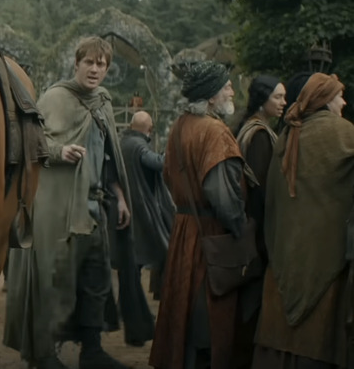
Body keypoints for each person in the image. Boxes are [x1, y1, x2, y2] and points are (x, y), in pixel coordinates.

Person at [4, 36, 133, 369]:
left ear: (107, 69)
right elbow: (32, 143)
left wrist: (120, 197)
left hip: (93, 208)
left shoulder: (103, 103)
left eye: (101, 64)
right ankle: (45, 354)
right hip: (58, 209)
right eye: (88, 62)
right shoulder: (55, 98)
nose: (94, 69)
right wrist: (60, 151)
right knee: (52, 281)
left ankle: (92, 351)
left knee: (96, 281)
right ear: (76, 64)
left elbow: (109, 157)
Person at [149, 61, 252, 369]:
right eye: (226, 87)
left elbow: (168, 176)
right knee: (208, 315)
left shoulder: (180, 125)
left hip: (184, 229)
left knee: (185, 310)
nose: (232, 91)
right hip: (209, 232)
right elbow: (223, 195)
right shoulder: (214, 131)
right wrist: (239, 230)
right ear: (210, 97)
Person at [252, 72, 352, 369]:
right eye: (339, 97)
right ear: (325, 100)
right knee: (315, 342)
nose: (344, 103)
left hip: (284, 259)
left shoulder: (287, 134)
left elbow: (273, 202)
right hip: (326, 263)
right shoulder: (344, 133)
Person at [233, 75, 286, 355]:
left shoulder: (250, 128)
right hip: (256, 228)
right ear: (262, 100)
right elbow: (261, 190)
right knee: (253, 301)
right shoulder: (260, 136)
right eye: (277, 97)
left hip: (249, 224)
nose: (283, 102)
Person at [120, 111, 174, 301]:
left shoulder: (123, 142)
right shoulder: (138, 145)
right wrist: (171, 152)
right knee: (145, 255)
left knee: (131, 263)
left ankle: (129, 306)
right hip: (138, 209)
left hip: (126, 206)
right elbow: (157, 163)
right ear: (149, 129)